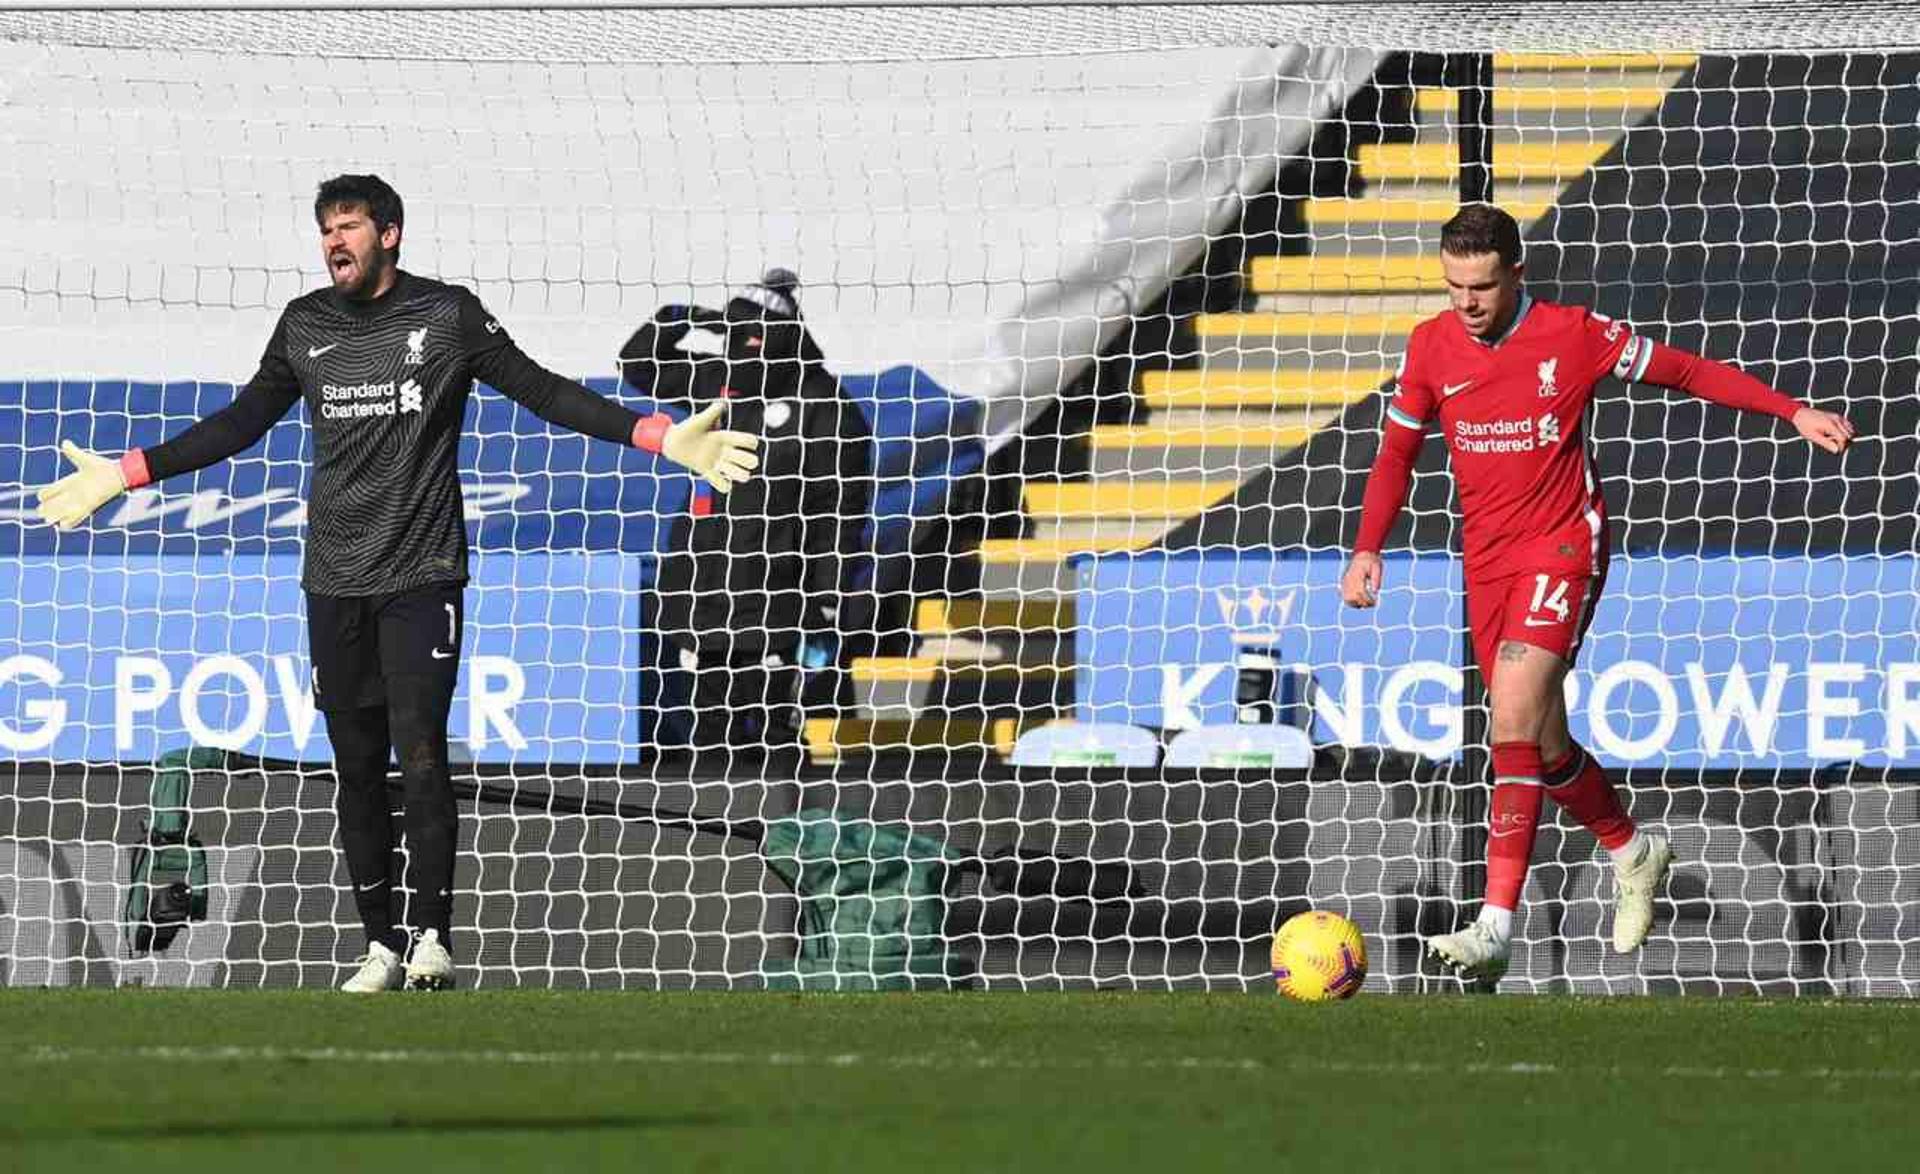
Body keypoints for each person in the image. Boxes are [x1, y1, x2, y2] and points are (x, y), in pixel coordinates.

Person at [36, 174, 760, 992]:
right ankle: (379, 943)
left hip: (422, 575)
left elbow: (543, 391)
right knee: (355, 769)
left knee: (420, 755)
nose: (334, 243)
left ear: (391, 234)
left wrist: (656, 435)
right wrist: (129, 472)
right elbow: (240, 422)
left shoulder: (446, 316)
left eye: (348, 227)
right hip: (334, 581)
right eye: (324, 232)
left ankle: (432, 939)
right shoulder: (304, 325)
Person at [1342, 204, 1854, 986]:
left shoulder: (1573, 334)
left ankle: (1494, 927)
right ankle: (1632, 849)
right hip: (1486, 563)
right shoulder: (1430, 347)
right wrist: (1368, 547)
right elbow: (1398, 452)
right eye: (1453, 286)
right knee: (1541, 744)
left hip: (1563, 547)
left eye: (1481, 286)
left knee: (1508, 711)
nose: (1466, 303)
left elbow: (1684, 370)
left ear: (1516, 273)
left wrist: (1790, 411)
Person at [618, 269, 872, 760]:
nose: (743, 349)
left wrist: (826, 602)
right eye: (734, 336)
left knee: (777, 732)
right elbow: (638, 364)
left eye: (754, 338)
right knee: (712, 732)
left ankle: (784, 826)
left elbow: (838, 517)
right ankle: (719, 834)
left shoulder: (828, 410)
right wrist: (680, 318)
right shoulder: (722, 383)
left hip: (781, 601)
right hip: (707, 594)